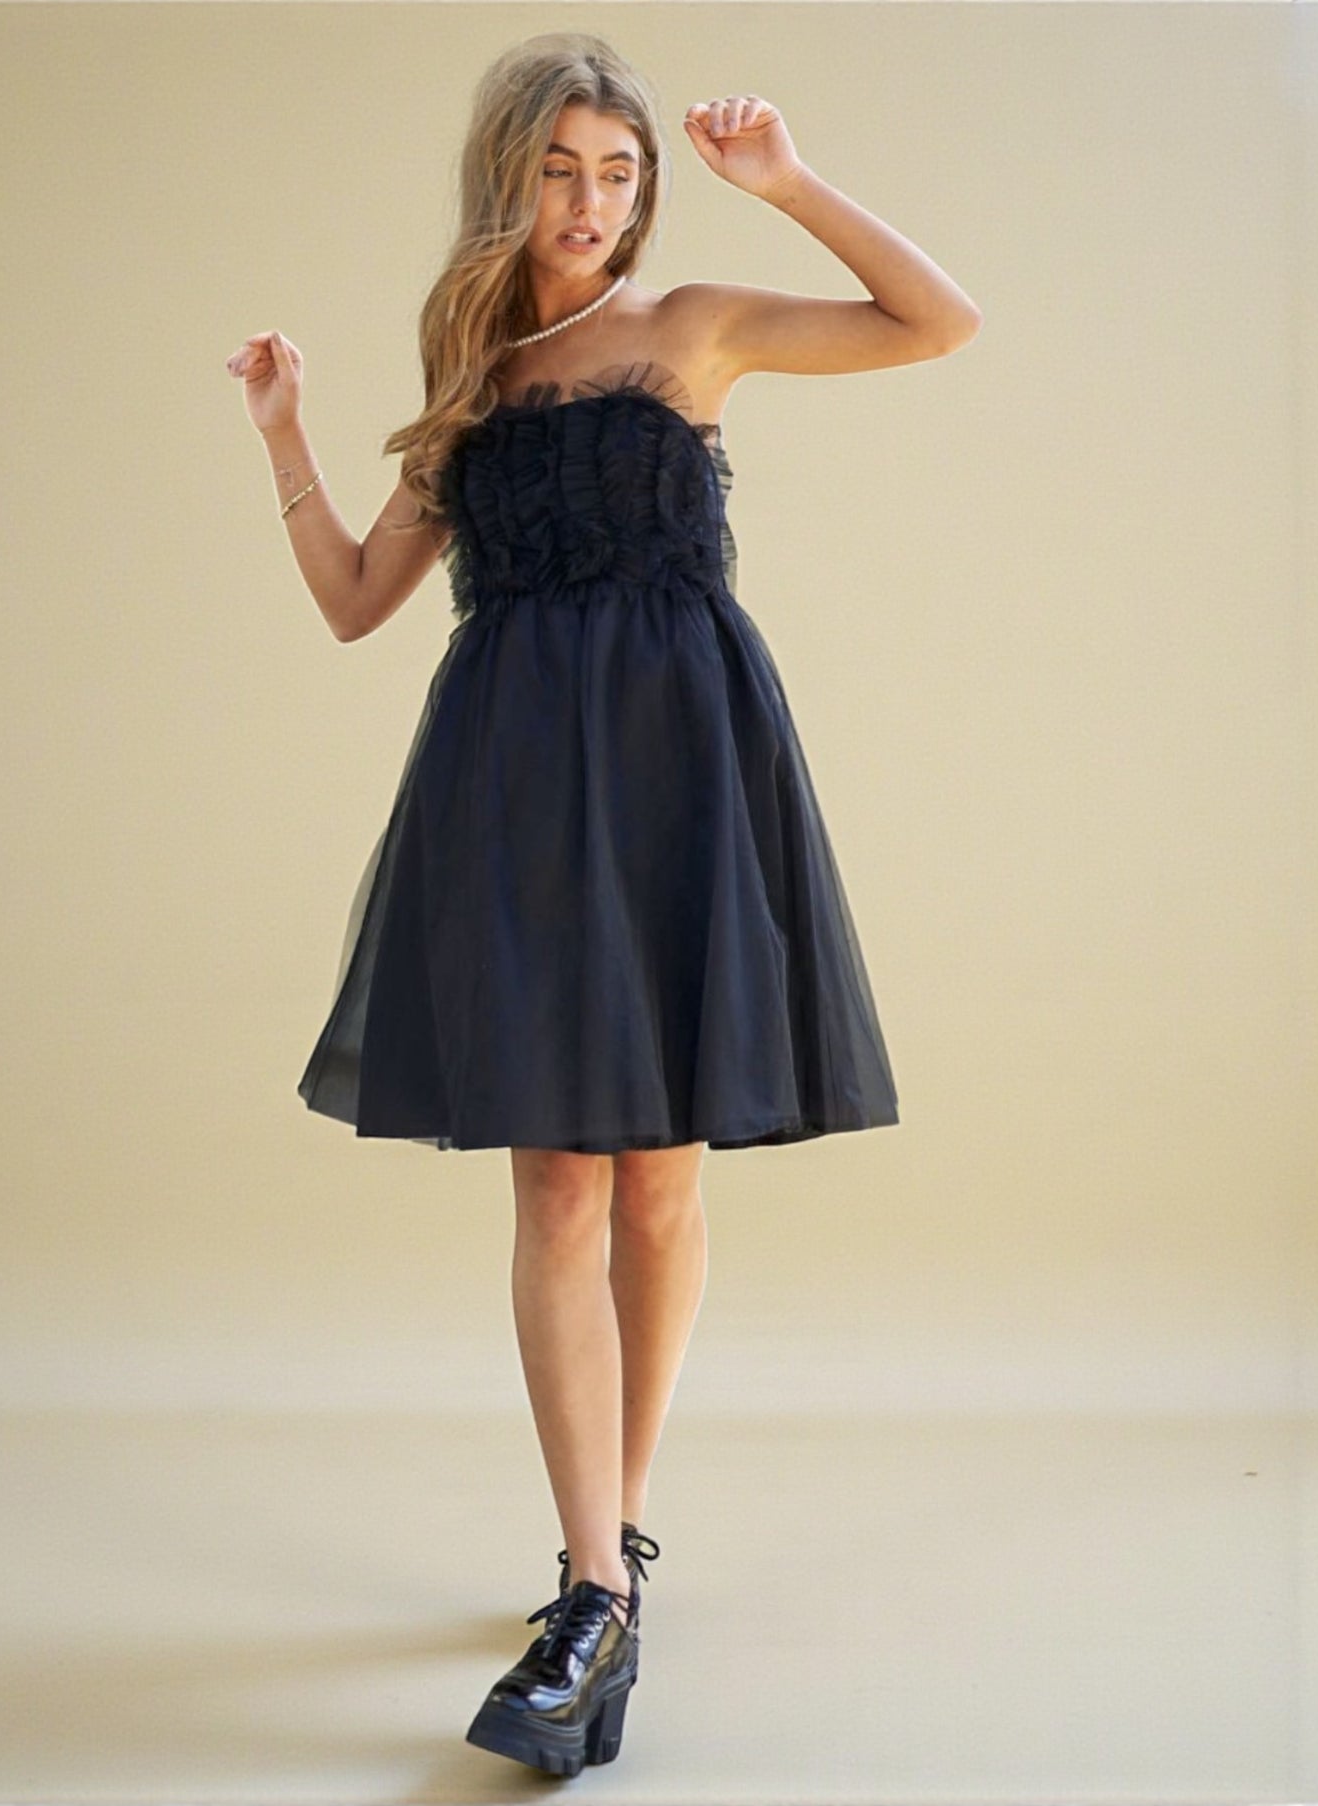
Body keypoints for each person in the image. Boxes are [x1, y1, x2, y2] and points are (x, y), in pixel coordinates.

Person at [226, 30, 980, 1779]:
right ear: (512, 177)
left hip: (681, 765)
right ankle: (585, 1577)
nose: (592, 202)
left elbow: (935, 322)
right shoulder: (474, 377)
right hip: (510, 786)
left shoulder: (697, 323)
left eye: (618, 171)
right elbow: (356, 600)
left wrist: (785, 184)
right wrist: (282, 435)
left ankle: (616, 1544)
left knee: (660, 1178)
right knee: (558, 1171)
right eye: (562, 170)